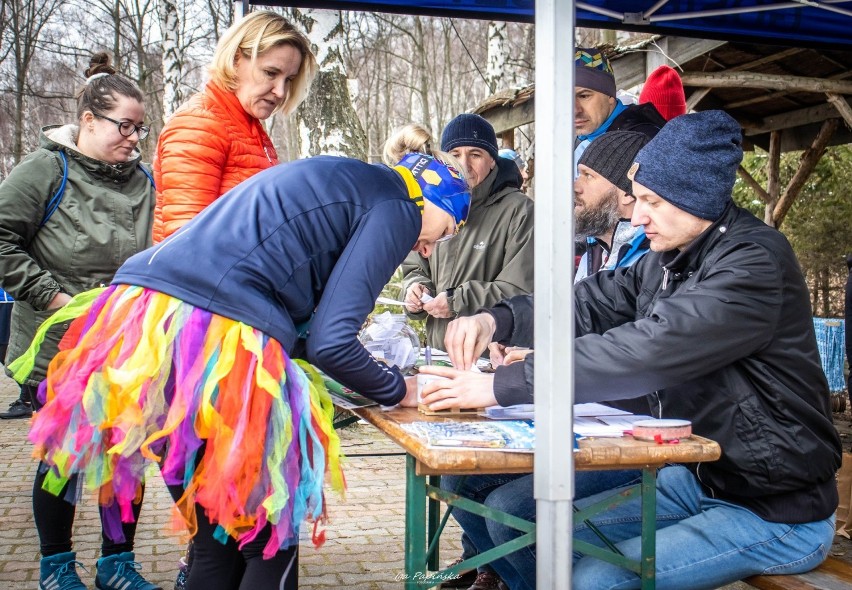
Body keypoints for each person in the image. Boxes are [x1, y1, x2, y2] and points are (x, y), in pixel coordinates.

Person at [419, 110, 842, 590]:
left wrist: (503, 385)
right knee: (514, 517)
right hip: (696, 478)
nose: (637, 216)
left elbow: (647, 349)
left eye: (651, 202)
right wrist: (497, 317)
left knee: (597, 577)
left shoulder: (753, 264)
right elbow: (587, 300)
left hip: (775, 510)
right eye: (637, 199)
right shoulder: (670, 258)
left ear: (697, 198)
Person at [9, 151, 471, 590]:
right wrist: (398, 388)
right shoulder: (398, 204)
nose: (429, 248)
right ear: (435, 199)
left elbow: (307, 322)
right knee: (269, 541)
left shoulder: (351, 180)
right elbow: (333, 341)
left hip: (149, 322)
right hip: (212, 330)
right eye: (448, 229)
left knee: (219, 533)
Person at [0, 54, 158, 589]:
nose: (135, 137)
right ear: (88, 120)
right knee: (65, 458)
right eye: (125, 125)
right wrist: (53, 297)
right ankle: (56, 568)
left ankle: (117, 565)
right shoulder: (45, 169)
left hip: (125, 345)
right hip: (59, 348)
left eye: (141, 127)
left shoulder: (145, 180)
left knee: (126, 457)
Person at [152, 10, 316, 243]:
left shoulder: (247, 125)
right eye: (270, 73)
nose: (280, 91)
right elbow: (184, 244)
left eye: (288, 79)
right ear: (235, 59)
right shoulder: (199, 125)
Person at [401, 114, 534, 353]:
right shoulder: (432, 204)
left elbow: (520, 290)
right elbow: (415, 267)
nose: (463, 163)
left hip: (490, 359)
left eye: (475, 154)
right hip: (438, 352)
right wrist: (416, 290)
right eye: (455, 154)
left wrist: (457, 300)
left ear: (492, 160)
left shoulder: (520, 212)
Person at [573, 130, 653, 282]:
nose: (575, 187)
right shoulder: (594, 253)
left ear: (628, 193)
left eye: (588, 176)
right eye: (579, 175)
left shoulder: (651, 262)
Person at [573, 47, 664, 174]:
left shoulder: (641, 142)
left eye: (584, 96)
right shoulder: (581, 137)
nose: (575, 110)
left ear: (610, 96)